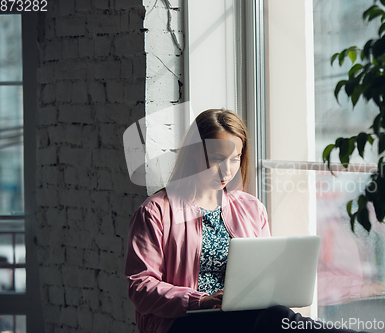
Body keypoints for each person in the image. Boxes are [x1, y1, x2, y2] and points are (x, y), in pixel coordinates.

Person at [125, 109, 364, 333]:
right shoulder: (156, 211)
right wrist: (200, 300)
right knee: (276, 320)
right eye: (216, 159)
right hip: (181, 321)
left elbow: (267, 274)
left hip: (242, 316)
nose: (226, 171)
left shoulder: (251, 208)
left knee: (277, 316)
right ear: (195, 154)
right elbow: (140, 286)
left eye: (234, 159)